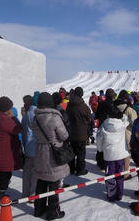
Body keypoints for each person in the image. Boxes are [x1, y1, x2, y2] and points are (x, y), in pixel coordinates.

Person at [32, 92, 69, 220]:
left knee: (41, 181)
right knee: (54, 183)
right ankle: (53, 212)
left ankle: (38, 209)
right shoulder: (54, 117)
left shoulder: (35, 117)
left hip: (40, 151)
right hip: (53, 152)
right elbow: (64, 135)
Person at [0, 96, 22, 200]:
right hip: (4, 151)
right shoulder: (3, 119)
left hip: (1, 150)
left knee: (2, 173)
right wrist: (13, 117)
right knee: (5, 174)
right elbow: (17, 129)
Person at [96, 105, 129, 201]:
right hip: (121, 154)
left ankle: (111, 194)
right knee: (120, 174)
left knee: (110, 175)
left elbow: (99, 139)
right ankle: (120, 194)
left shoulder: (104, 125)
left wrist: (100, 149)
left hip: (109, 155)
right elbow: (126, 119)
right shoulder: (122, 124)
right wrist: (121, 115)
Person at [66, 87, 91, 176]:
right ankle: (80, 170)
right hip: (81, 132)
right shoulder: (83, 106)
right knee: (81, 152)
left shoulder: (69, 104)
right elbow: (89, 117)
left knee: (72, 151)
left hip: (71, 132)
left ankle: (71, 169)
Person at [114, 90, 137, 180]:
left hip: (115, 133)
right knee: (126, 153)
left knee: (117, 152)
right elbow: (135, 122)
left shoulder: (113, 107)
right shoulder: (129, 109)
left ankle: (116, 171)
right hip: (127, 133)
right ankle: (125, 173)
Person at [21, 95, 37, 198]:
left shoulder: (26, 114)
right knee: (35, 173)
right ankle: (33, 195)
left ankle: (25, 194)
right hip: (35, 147)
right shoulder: (35, 114)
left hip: (27, 147)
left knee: (26, 173)